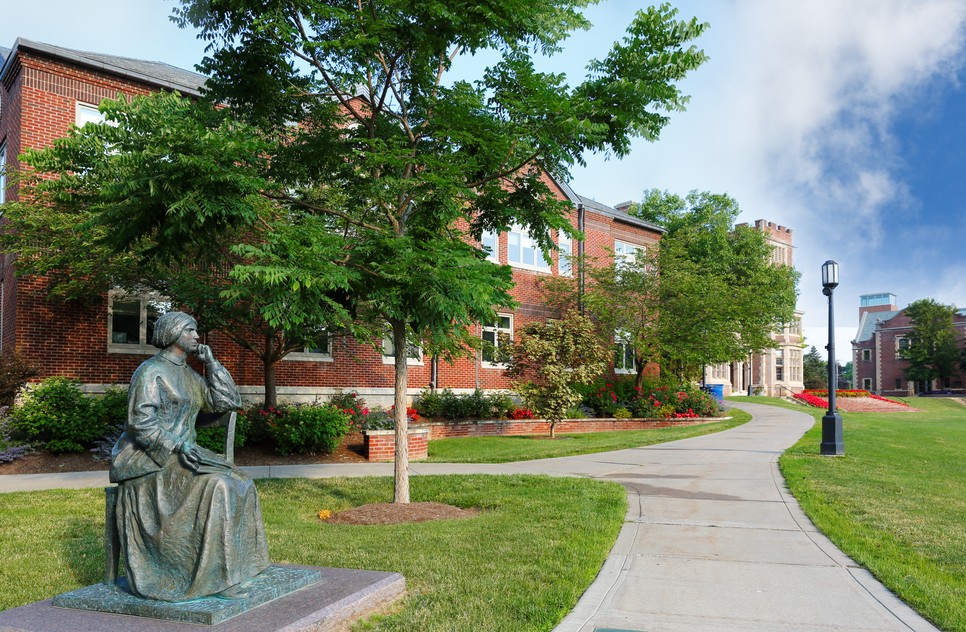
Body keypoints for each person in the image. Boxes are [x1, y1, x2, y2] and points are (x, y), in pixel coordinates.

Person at [110, 311, 269, 602]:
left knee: (243, 482)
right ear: (173, 333)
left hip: (184, 456)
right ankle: (217, 579)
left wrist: (212, 364)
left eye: (196, 331)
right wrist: (177, 445)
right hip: (150, 462)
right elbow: (140, 424)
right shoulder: (150, 371)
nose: (197, 336)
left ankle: (235, 571)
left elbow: (228, 401)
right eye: (190, 330)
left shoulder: (189, 373)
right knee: (218, 486)